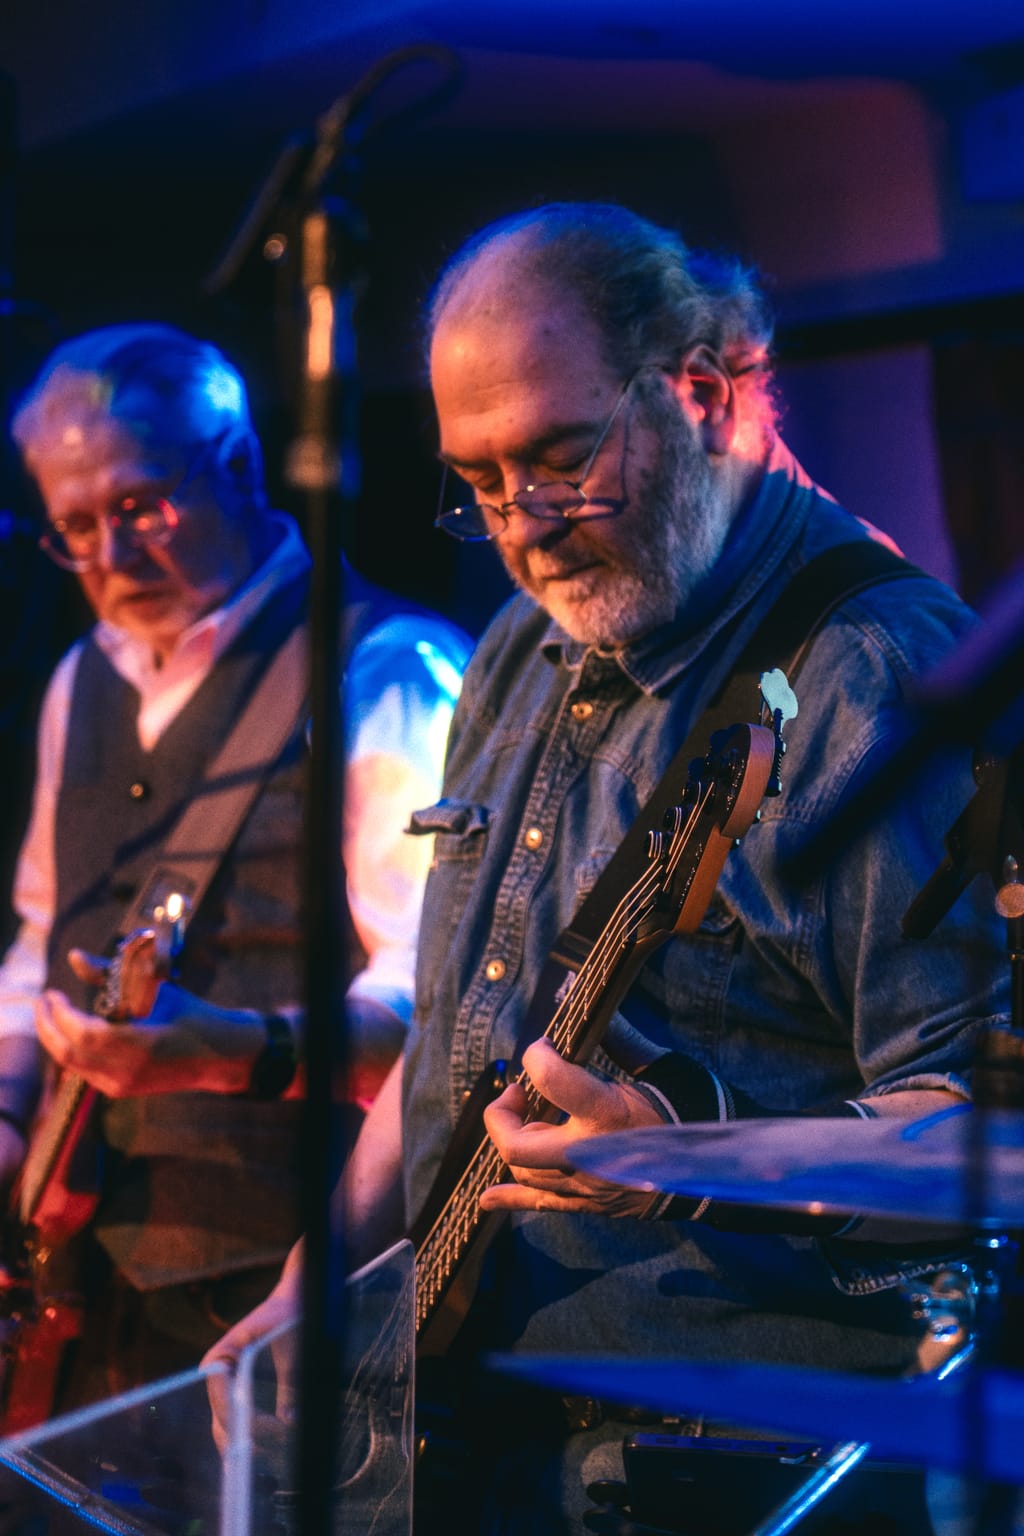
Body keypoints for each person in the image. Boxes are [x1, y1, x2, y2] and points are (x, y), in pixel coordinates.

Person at [210, 204, 1008, 1531]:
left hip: (712, 1470)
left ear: (703, 391)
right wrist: (320, 1277)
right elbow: (458, 1037)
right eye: (479, 482)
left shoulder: (883, 674)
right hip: (465, 1440)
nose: (524, 528)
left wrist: (716, 1157)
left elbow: (989, 1121)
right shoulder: (521, 644)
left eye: (563, 460)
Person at [0, 323, 469, 1410]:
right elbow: (38, 939)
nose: (110, 559)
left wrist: (232, 1055)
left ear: (242, 466)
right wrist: (12, 1114)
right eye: (74, 528)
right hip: (82, 1282)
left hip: (281, 1293)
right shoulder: (82, 678)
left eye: (139, 507)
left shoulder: (387, 667)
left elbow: (439, 999)